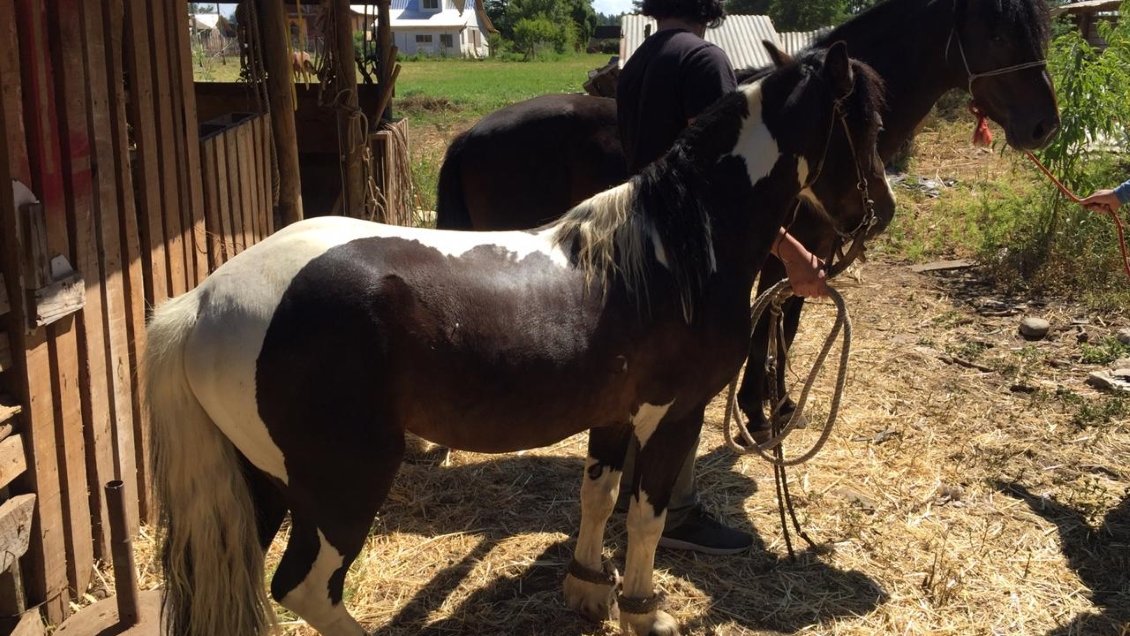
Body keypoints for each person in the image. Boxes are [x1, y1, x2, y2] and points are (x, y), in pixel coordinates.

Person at [614, 0, 828, 555]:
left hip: (642, 234)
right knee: (685, 385)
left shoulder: (638, 62)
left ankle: (628, 491)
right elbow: (725, 171)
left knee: (645, 379)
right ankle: (676, 511)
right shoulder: (705, 60)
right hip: (692, 244)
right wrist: (788, 247)